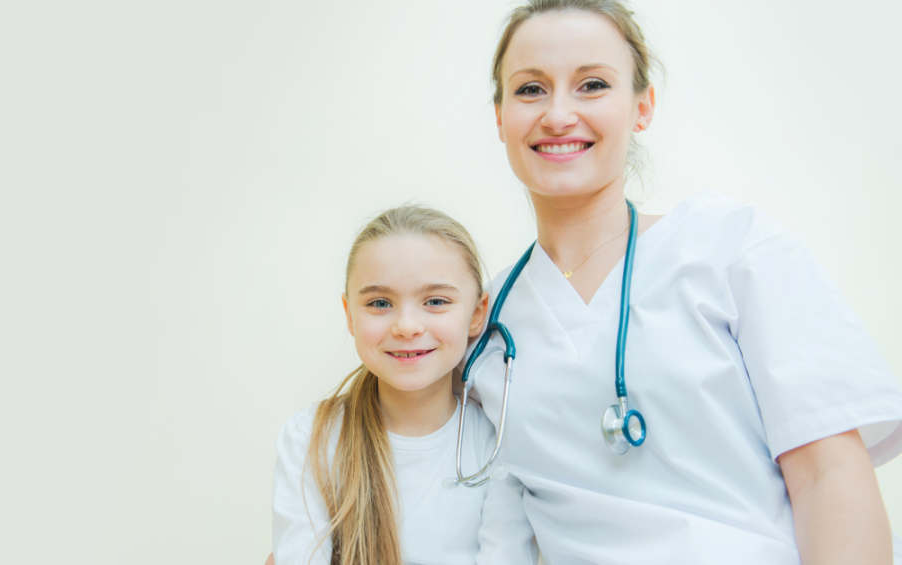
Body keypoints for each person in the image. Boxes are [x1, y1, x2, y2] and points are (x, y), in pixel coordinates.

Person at [463, 1, 902, 563]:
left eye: (592, 85)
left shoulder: (734, 249)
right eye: (530, 89)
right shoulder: (484, 318)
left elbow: (829, 475)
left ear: (642, 107)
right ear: (499, 117)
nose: (558, 114)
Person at [271, 206, 538, 565]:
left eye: (436, 301)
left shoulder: (498, 442)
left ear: (477, 313)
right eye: (380, 303)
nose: (407, 326)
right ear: (350, 315)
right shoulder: (310, 438)